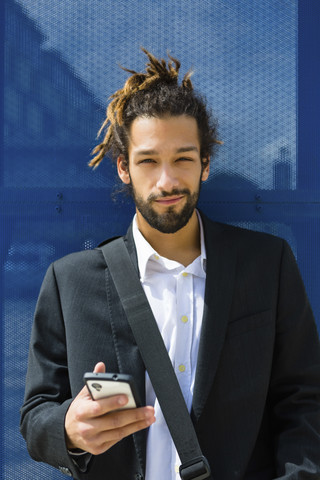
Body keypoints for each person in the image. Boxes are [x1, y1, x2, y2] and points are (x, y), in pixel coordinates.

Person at [20, 48, 320, 480]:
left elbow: (304, 399)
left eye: (182, 158)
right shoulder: (69, 282)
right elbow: (34, 417)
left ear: (205, 165)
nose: (167, 181)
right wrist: (68, 429)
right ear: (124, 168)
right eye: (148, 161)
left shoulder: (266, 264)